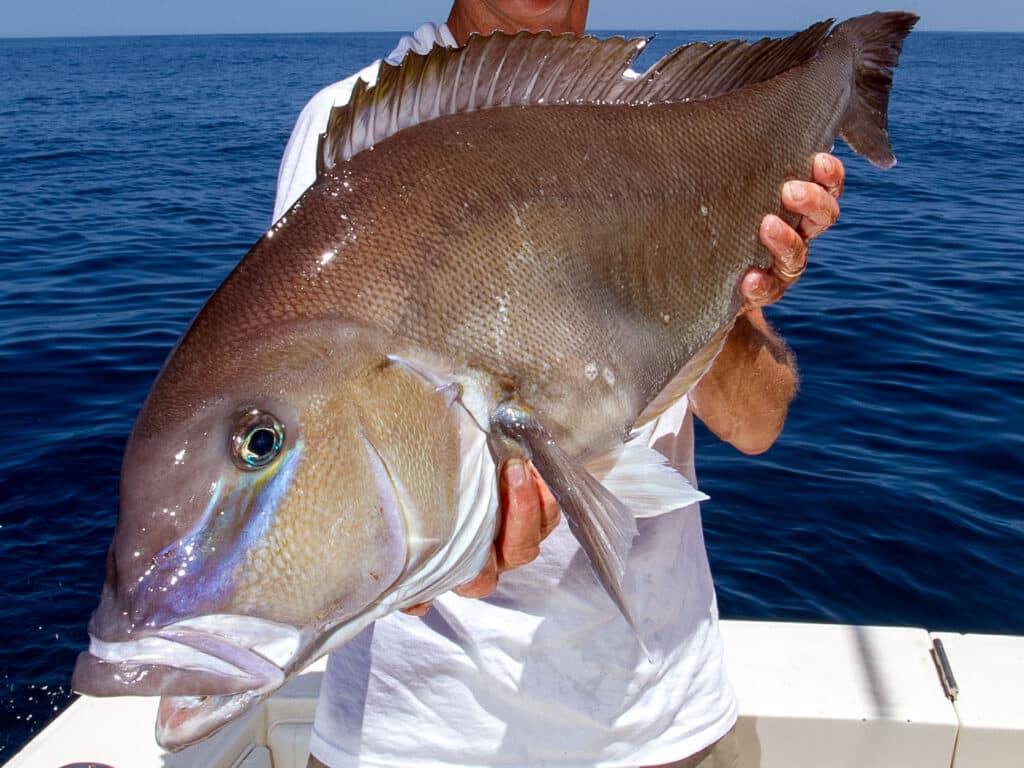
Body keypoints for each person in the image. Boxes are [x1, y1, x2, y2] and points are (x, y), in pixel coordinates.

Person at [273, 2, 845, 766]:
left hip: (661, 727)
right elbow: (311, 442)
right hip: (411, 740)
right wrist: (422, 562)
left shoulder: (680, 122)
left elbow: (756, 424)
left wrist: (734, 290)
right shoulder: (354, 124)